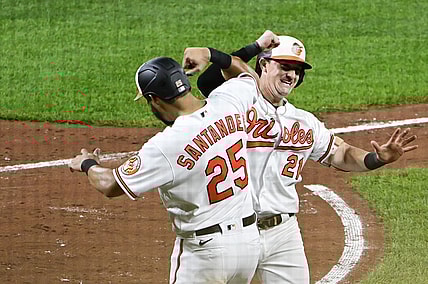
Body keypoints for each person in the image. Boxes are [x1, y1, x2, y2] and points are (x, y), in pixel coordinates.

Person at [195, 31, 419, 283]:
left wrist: (377, 159)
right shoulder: (235, 103)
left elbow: (341, 153)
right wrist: (252, 47)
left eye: (297, 70)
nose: (291, 75)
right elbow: (208, 82)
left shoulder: (304, 121)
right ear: (264, 64)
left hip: (283, 234)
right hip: (231, 231)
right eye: (285, 66)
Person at [69, 51, 263, 283]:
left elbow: (110, 184)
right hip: (249, 245)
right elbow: (247, 75)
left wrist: (87, 163)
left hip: (205, 254)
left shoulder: (168, 143)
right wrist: (210, 54)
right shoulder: (229, 101)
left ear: (155, 99)